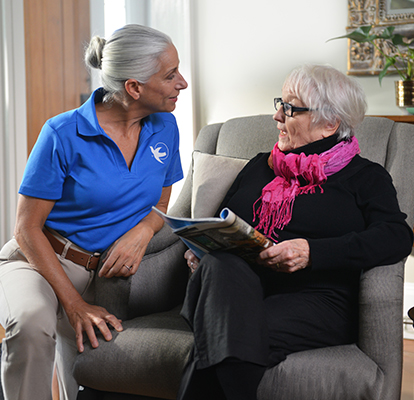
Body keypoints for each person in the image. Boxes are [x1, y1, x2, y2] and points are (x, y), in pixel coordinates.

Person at [177, 64, 413, 400]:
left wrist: (312, 252)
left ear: (329, 123)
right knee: (219, 267)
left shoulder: (365, 177)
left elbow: (396, 236)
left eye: (290, 108)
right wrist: (200, 248)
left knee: (226, 336)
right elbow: (221, 222)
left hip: (317, 298)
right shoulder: (260, 166)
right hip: (234, 288)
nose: (276, 116)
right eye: (280, 103)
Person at [0, 24, 187, 400]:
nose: (182, 83)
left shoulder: (165, 126)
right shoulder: (62, 133)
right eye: (170, 75)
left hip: (106, 272)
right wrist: (74, 304)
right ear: (134, 88)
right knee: (32, 324)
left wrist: (143, 231)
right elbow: (27, 228)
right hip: (44, 257)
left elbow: (161, 205)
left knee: (87, 375)